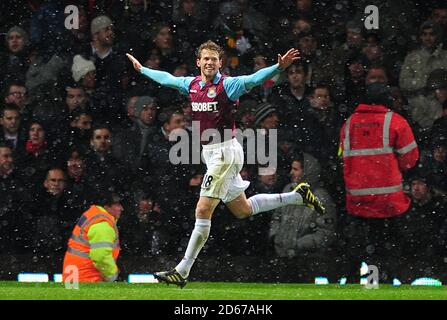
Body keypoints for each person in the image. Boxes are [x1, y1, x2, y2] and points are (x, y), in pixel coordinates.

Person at [127, 40, 326, 288]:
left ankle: (182, 270)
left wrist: (277, 67)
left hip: (225, 153)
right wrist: (143, 69)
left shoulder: (227, 85)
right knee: (242, 210)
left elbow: (253, 79)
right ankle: (298, 196)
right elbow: (166, 78)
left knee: (202, 210)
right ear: (198, 62)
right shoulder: (192, 84)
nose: (209, 62)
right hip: (212, 154)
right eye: (205, 58)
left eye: (214, 59)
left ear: (220, 63)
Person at [339, 83, 419, 282]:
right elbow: (410, 159)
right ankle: (386, 281)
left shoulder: (349, 124)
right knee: (386, 246)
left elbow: (343, 157)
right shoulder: (395, 122)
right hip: (388, 200)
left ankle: (355, 282)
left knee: (362, 247)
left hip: (357, 200)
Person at [62, 192, 123, 283]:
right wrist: (112, 275)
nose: (121, 208)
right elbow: (100, 256)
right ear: (107, 207)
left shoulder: (92, 216)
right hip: (88, 277)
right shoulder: (102, 224)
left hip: (74, 274)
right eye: (117, 205)